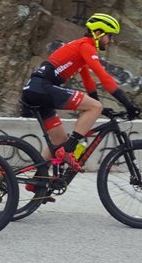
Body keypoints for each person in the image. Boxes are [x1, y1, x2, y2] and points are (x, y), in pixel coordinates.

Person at [22, 12, 139, 172]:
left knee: (59, 141)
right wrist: (128, 105)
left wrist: (99, 105)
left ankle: (34, 180)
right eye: (110, 36)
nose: (111, 41)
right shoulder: (86, 46)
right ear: (98, 33)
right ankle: (69, 149)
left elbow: (88, 82)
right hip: (42, 87)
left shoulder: (80, 48)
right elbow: (104, 78)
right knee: (94, 108)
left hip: (36, 89)